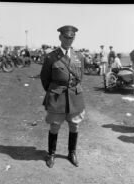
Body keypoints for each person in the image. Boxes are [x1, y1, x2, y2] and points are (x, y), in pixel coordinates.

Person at [40, 25, 85, 168]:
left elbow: (80, 77)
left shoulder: (79, 56)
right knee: (54, 126)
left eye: (71, 38)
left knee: (75, 125)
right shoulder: (51, 56)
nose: (69, 40)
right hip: (57, 96)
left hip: (74, 96)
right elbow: (45, 78)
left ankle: (72, 153)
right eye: (66, 37)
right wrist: (54, 90)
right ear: (60, 37)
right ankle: (51, 154)